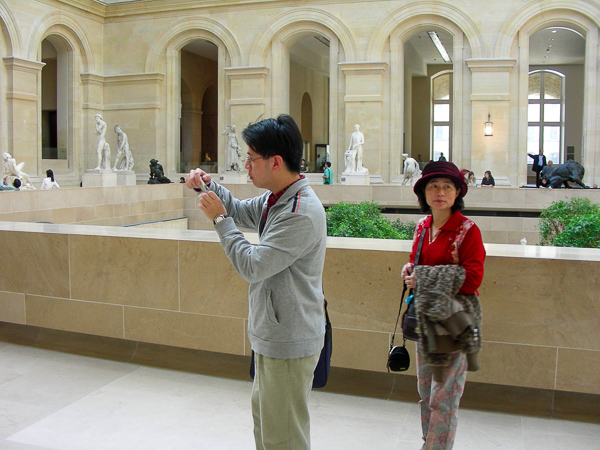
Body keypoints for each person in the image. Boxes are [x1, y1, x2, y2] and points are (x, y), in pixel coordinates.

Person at [185, 114, 327, 450]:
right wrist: (209, 185)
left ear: (275, 162)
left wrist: (219, 220)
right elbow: (237, 209)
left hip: (289, 338)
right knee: (267, 430)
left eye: (251, 159)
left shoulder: (300, 212)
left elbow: (252, 265)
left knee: (284, 439)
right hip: (273, 333)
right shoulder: (276, 198)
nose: (246, 166)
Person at [401, 161, 485, 450]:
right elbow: (418, 261)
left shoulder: (467, 230)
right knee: (426, 392)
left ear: (457, 192)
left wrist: (423, 277)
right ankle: (430, 443)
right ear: (423, 193)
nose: (440, 192)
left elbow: (473, 278)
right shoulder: (422, 227)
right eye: (433, 186)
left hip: (454, 323)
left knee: (444, 397)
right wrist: (410, 268)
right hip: (426, 319)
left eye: (447, 187)